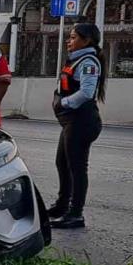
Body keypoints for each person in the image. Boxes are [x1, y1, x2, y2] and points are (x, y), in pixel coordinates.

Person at [48, 23, 106, 229]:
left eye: (73, 37)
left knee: (77, 168)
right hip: (71, 123)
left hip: (82, 122)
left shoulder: (88, 62)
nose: (68, 41)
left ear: (87, 40)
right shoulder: (76, 60)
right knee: (62, 164)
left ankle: (75, 214)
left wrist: (63, 103)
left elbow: (87, 92)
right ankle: (62, 206)